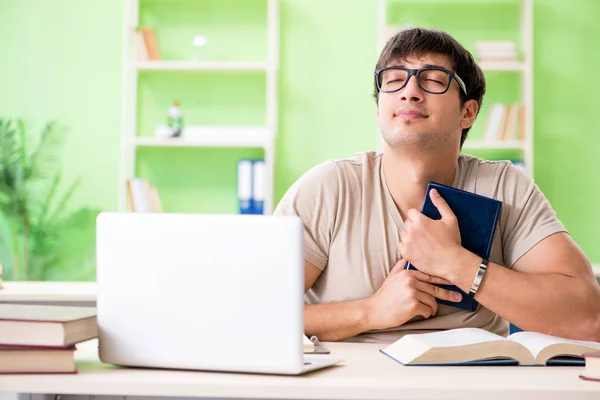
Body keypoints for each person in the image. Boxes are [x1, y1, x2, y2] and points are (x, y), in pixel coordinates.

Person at [273, 27, 600, 344]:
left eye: (432, 80)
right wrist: (370, 312)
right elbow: (253, 311)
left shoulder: (505, 186)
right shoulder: (329, 189)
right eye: (394, 80)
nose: (409, 91)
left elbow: (589, 319)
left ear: (467, 113)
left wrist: (455, 263)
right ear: (378, 110)